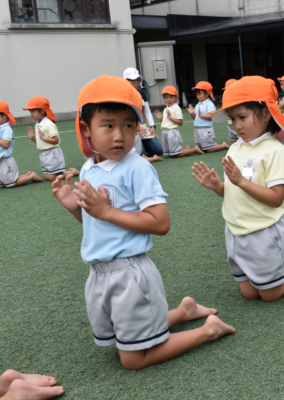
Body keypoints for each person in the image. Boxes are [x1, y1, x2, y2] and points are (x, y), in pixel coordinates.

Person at [51, 75, 235, 370]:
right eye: (108, 125)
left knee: (133, 359)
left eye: (128, 125)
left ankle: (208, 330)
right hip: (98, 273)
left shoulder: (137, 168)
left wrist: (105, 211)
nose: (119, 136)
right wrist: (75, 207)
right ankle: (184, 311)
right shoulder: (88, 169)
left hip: (129, 274)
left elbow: (160, 223)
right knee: (120, 339)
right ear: (86, 129)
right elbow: (95, 223)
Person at [192, 76, 284, 302]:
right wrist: (217, 186)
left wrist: (241, 182)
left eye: (242, 117)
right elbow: (233, 192)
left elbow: (276, 198)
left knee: (269, 294)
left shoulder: (275, 151)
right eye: (232, 119)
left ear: (266, 114)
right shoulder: (235, 148)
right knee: (249, 293)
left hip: (263, 232)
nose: (236, 125)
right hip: (234, 231)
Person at [23, 96, 80, 181]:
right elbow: (41, 141)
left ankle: (73, 172)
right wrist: (33, 138)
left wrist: (43, 137)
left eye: (33, 111)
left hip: (52, 153)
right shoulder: (38, 124)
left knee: (52, 177)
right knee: (47, 177)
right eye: (30, 111)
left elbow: (56, 140)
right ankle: (70, 172)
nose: (31, 114)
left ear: (42, 111)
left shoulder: (48, 124)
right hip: (43, 153)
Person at [123, 67, 163, 163]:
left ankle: (142, 143)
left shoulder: (141, 93)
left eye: (137, 80)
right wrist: (136, 126)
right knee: (140, 152)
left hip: (142, 127)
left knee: (158, 149)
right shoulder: (122, 95)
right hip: (128, 128)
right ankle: (140, 147)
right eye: (132, 80)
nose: (136, 82)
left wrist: (152, 127)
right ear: (125, 81)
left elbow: (147, 112)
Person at [0, 101, 43, 188]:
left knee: (10, 183)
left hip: (5, 161)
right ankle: (27, 175)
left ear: (4, 115)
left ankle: (31, 177)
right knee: (4, 182)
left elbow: (6, 144)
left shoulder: (6, 129)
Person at [153, 86, 204, 158]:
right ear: (163, 98)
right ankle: (186, 149)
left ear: (176, 97)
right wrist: (161, 119)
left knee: (175, 154)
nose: (169, 99)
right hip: (165, 132)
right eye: (166, 97)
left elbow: (180, 122)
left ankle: (194, 150)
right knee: (171, 153)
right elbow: (167, 123)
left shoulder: (176, 108)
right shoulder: (166, 109)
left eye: (171, 97)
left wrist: (170, 117)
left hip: (172, 133)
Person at [187, 81, 230, 154]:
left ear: (207, 93)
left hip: (205, 129)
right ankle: (214, 145)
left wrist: (201, 115)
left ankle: (223, 145)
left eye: (200, 94)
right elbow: (195, 118)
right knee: (201, 148)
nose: (198, 96)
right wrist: (192, 114)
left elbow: (212, 116)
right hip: (197, 129)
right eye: (197, 94)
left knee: (209, 149)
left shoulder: (209, 104)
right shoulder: (198, 104)